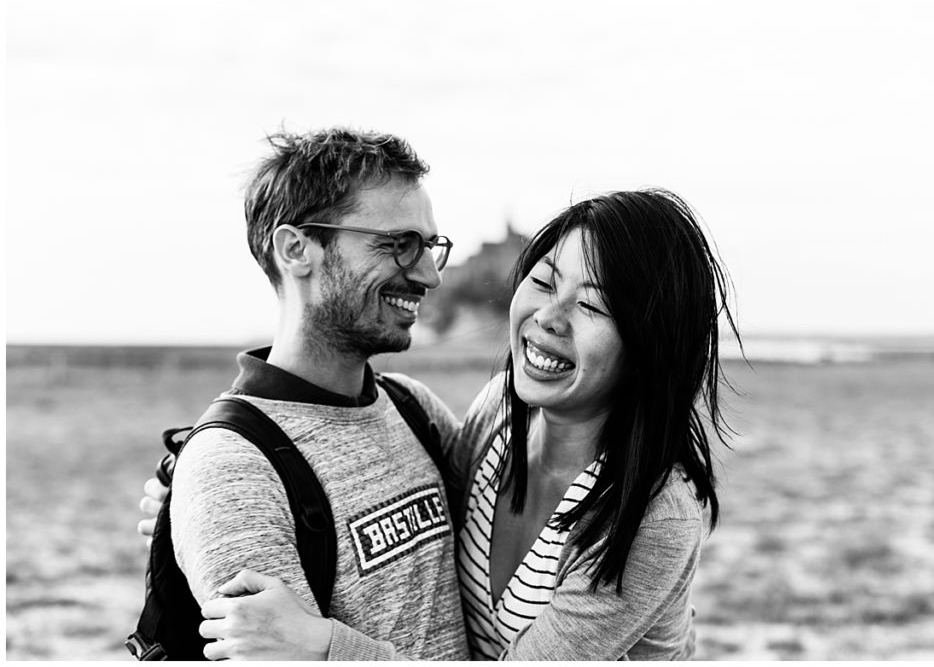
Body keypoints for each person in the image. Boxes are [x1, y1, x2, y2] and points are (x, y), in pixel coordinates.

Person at [141, 187, 740, 659]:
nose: (549, 319)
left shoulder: (653, 510)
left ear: (649, 345)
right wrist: (193, 491)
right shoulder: (500, 415)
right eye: (543, 282)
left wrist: (325, 648)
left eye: (592, 305)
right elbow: (418, 505)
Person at [143, 126, 470, 660]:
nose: (430, 275)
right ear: (297, 249)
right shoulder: (232, 469)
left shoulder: (414, 408)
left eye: (430, 246)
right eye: (400, 244)